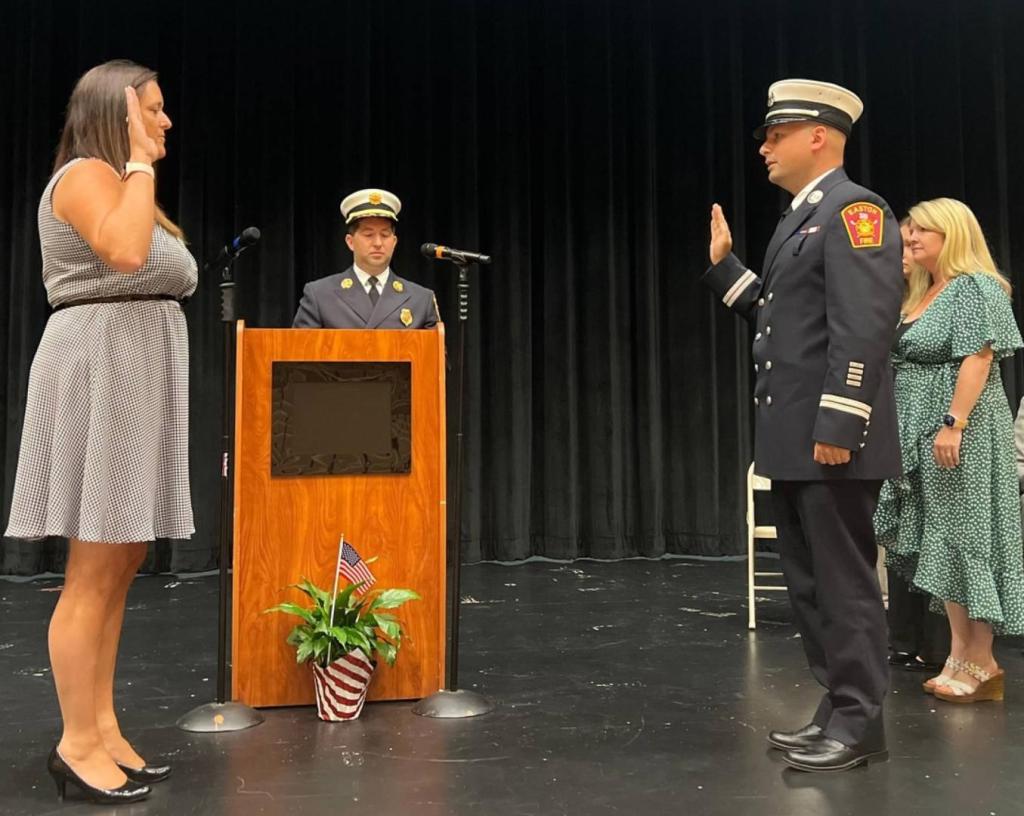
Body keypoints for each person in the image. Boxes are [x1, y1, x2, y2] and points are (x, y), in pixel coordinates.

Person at [4, 60, 196, 804]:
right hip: (101, 369)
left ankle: (103, 726)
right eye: (153, 108)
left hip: (134, 369)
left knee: (120, 566)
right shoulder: (88, 172)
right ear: (116, 114)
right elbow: (122, 253)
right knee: (92, 573)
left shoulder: (117, 182)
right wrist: (140, 164)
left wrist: (141, 172)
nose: (166, 120)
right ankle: (75, 743)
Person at [704, 79, 903, 772]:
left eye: (775, 134)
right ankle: (839, 707)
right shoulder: (802, 217)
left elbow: (864, 328)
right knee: (811, 586)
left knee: (843, 584)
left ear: (818, 135)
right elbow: (781, 321)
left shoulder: (856, 212)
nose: (764, 146)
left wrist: (841, 423)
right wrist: (726, 269)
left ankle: (860, 721)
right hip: (795, 441)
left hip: (830, 440)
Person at [875, 197, 1024, 703]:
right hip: (921, 431)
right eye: (910, 230)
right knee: (941, 540)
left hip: (961, 429)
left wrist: (953, 424)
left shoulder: (974, 286)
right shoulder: (926, 291)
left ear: (953, 234)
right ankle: (960, 654)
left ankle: (981, 661)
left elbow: (979, 360)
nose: (911, 237)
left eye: (923, 231)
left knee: (964, 540)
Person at [886, 218, 951, 673]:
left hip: (938, 420)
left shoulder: (963, 292)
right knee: (905, 531)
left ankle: (942, 645)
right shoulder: (908, 301)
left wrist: (953, 423)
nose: (904, 250)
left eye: (913, 241)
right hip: (902, 420)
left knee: (939, 532)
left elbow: (977, 360)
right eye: (903, 241)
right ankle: (904, 639)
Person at [292, 189, 439, 329]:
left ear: (394, 242)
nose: (378, 243)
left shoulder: (421, 300)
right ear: (350, 242)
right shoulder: (320, 295)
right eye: (368, 235)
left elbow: (435, 354)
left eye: (385, 235)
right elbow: (300, 352)